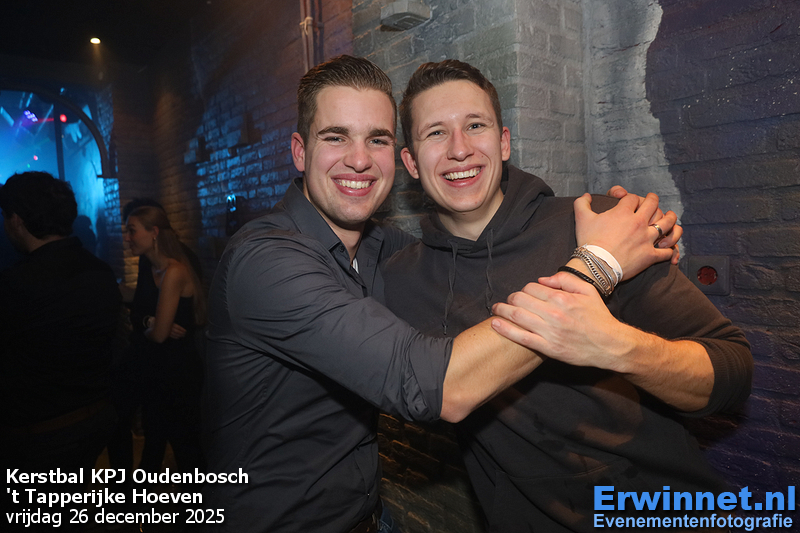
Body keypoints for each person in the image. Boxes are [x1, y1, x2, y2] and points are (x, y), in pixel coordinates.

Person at [201, 55, 679, 533]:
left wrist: (635, 233)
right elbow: (434, 386)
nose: (360, 159)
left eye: (377, 139)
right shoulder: (266, 261)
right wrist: (599, 263)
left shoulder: (382, 249)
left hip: (369, 517)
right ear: (300, 152)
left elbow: (473, 256)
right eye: (335, 137)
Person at [381, 59, 753, 532]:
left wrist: (619, 348)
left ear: (503, 142)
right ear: (411, 163)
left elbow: (732, 372)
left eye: (475, 125)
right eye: (436, 133)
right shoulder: (401, 282)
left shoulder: (600, 225)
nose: (459, 149)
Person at [0, 171, 121, 530]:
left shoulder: (16, 284)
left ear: (17, 220)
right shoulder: (100, 271)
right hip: (93, 419)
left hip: (40, 435)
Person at [108, 198, 204, 480]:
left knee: (187, 450)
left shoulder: (175, 270)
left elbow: (160, 335)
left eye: (132, 231)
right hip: (158, 371)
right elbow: (143, 314)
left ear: (154, 232)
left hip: (178, 375)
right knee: (154, 441)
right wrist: (152, 321)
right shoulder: (150, 266)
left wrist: (152, 326)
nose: (127, 238)